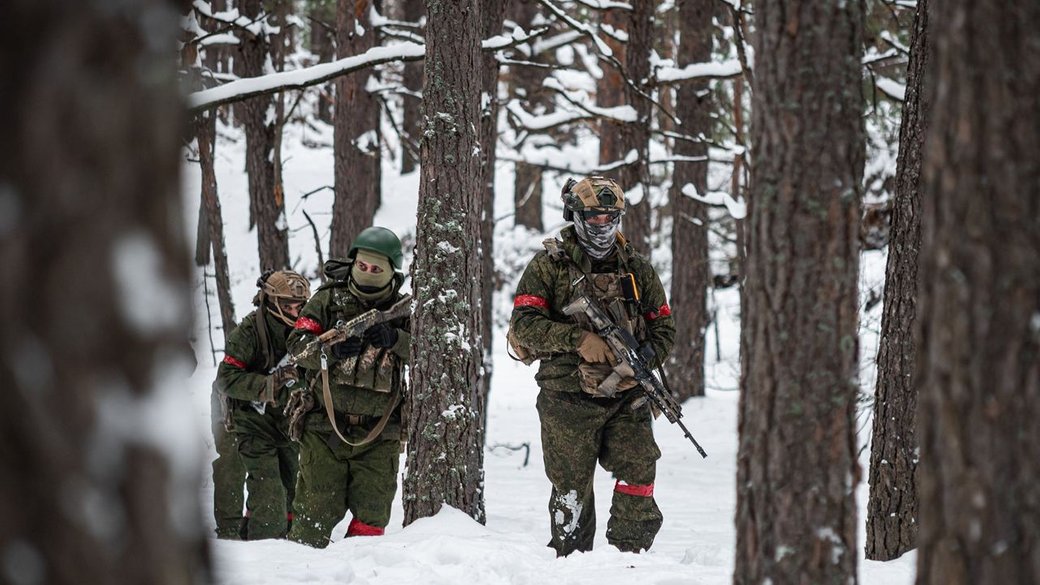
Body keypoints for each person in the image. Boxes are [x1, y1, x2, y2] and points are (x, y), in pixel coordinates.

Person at [508, 176, 676, 556]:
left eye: (610, 217)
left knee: (639, 467)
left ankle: (628, 560)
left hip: (626, 394)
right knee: (571, 487)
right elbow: (524, 324)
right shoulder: (549, 265)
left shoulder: (637, 268)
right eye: (594, 218)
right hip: (566, 396)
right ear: (576, 215)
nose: (602, 226)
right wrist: (580, 340)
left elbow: (663, 327)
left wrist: (645, 359)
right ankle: (572, 565)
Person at [286, 226, 411, 547]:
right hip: (323, 430)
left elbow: (434, 355)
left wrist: (397, 340)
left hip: (379, 436)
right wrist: (329, 351)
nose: (368, 274)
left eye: (376, 269)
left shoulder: (405, 309)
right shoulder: (327, 300)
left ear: (391, 272)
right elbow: (297, 346)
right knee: (312, 520)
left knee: (371, 522)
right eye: (363, 266)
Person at [214, 270, 311, 540]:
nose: (294, 311)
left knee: (292, 482)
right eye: (288, 305)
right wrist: (269, 385)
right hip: (239, 413)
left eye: (299, 306)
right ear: (271, 302)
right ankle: (247, 540)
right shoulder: (248, 332)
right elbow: (226, 378)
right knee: (262, 488)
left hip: (282, 416)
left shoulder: (305, 329)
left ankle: (287, 542)